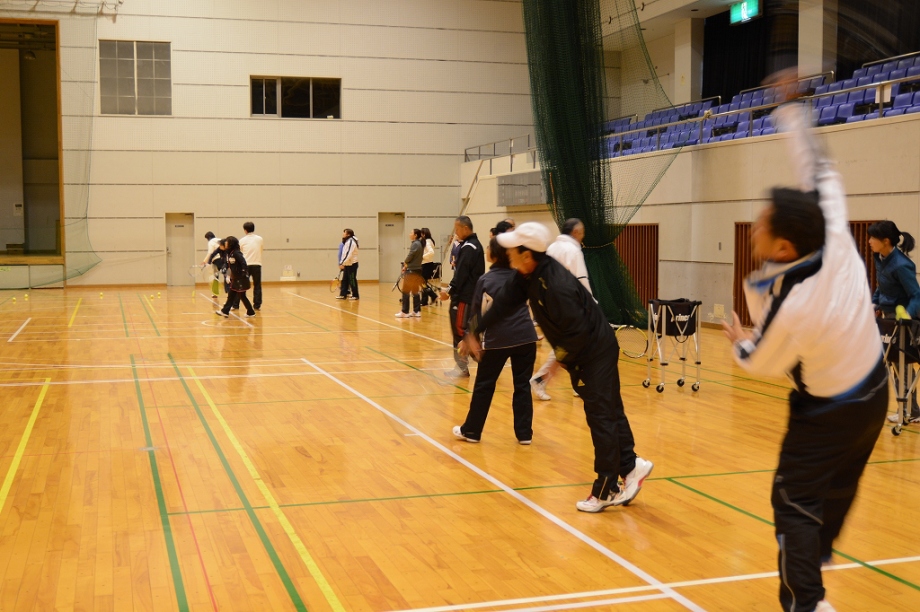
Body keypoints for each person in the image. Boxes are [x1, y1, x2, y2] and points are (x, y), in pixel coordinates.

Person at [721, 96, 887, 612]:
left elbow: (762, 363)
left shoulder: (793, 308)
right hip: (876, 393)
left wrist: (740, 342)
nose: (755, 226)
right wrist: (792, 112)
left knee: (793, 502)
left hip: (827, 412)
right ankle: (817, 554)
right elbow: (819, 167)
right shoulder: (831, 226)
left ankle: (808, 603)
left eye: (762, 223)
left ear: (784, 248)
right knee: (839, 485)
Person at [464, 222, 653, 513]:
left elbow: (577, 334)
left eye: (513, 249)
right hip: (587, 347)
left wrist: (557, 363)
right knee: (610, 410)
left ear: (527, 255)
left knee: (601, 415)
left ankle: (607, 488)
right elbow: (500, 305)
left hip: (594, 350)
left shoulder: (556, 285)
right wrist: (474, 330)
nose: (508, 252)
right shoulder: (526, 275)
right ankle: (630, 466)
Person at [453, 236, 537, 444]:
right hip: (526, 338)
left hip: (498, 340)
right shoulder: (520, 276)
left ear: (495, 254)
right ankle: (524, 434)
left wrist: (469, 336)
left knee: (484, 385)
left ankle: (472, 431)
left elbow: (477, 314)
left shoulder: (486, 280)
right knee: (522, 385)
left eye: (489, 247)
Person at [530, 218, 592, 401]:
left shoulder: (551, 249)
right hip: (568, 307)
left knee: (573, 345)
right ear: (576, 232)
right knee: (568, 346)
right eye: (582, 233)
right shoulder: (573, 250)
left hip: (550, 306)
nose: (583, 236)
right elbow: (581, 279)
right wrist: (591, 305)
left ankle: (579, 383)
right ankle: (540, 379)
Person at [867, 220, 920, 423]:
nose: (869, 241)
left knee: (903, 365)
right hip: (887, 319)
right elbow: (882, 286)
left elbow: (916, 295)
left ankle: (910, 410)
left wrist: (907, 314)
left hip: (903, 321)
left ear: (886, 241)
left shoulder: (901, 265)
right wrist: (874, 304)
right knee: (894, 365)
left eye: (873, 238)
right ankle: (908, 409)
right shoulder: (880, 258)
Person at [439, 216, 484, 378]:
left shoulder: (469, 247)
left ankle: (463, 367)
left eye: (457, 229)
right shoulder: (472, 245)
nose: (456, 232)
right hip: (470, 298)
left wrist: (449, 291)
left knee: (461, 333)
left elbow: (461, 275)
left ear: (466, 228)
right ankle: (480, 364)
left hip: (464, 299)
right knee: (469, 334)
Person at [215, 236, 256, 318]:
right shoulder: (230, 253)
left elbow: (243, 262)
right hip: (235, 278)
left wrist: (244, 272)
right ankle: (225, 311)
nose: (225, 243)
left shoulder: (236, 253)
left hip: (240, 278)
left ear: (231, 243)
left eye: (227, 241)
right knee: (232, 295)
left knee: (241, 296)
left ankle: (250, 312)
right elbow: (228, 265)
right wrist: (225, 271)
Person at [396, 229, 424, 319]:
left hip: (412, 270)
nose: (409, 234)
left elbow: (410, 255)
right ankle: (416, 311)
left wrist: (405, 262)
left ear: (415, 235)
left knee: (406, 291)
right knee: (415, 291)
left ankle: (405, 312)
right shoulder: (419, 243)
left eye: (411, 233)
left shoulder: (415, 244)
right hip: (417, 269)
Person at [239, 222, 264, 311]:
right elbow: (261, 249)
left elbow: (240, 253)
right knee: (257, 285)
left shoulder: (242, 240)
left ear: (245, 230)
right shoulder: (260, 239)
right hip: (257, 264)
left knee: (241, 285)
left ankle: (236, 304)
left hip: (246, 265)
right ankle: (257, 305)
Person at [338, 229, 359, 300]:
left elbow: (348, 254)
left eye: (344, 233)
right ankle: (343, 294)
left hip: (352, 264)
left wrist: (342, 263)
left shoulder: (351, 241)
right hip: (347, 263)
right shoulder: (347, 241)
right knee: (345, 280)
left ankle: (355, 295)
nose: (343, 234)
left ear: (348, 234)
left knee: (352, 279)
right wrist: (344, 263)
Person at [419, 228, 438, 306]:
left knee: (422, 283)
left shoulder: (427, 242)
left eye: (421, 234)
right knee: (423, 283)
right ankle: (425, 300)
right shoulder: (429, 241)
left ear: (424, 234)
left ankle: (433, 296)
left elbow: (431, 252)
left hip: (426, 265)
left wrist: (422, 257)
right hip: (427, 264)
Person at [203, 232, 222, 298]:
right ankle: (231, 293)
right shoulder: (220, 240)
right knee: (227, 276)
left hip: (217, 260)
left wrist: (205, 261)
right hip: (224, 259)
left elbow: (210, 252)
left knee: (216, 277)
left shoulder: (210, 242)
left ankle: (215, 293)